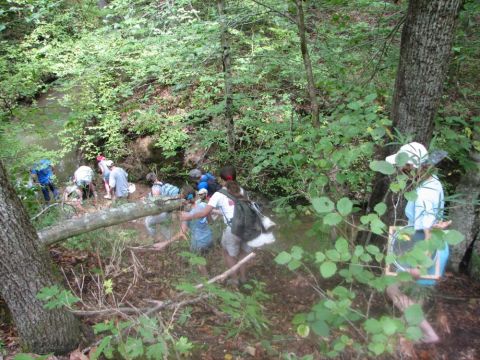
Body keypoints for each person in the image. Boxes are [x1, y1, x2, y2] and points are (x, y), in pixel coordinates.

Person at [384, 142, 451, 344]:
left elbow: (426, 232)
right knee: (415, 298)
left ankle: (428, 335)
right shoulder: (431, 180)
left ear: (411, 167)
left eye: (402, 167)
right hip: (435, 246)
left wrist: (417, 265)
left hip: (427, 251)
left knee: (392, 289)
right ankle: (406, 337)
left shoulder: (424, 196)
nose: (399, 171)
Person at [182, 165, 252, 286]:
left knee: (228, 253)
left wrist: (188, 217)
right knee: (242, 253)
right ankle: (244, 278)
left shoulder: (218, 194)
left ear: (221, 179)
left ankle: (235, 280)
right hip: (246, 226)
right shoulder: (242, 190)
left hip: (233, 228)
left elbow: (204, 213)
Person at [166, 185, 213, 276]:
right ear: (195, 195)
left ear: (183, 199)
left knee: (200, 264)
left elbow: (181, 233)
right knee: (205, 259)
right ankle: (208, 275)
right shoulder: (204, 205)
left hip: (198, 243)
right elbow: (211, 222)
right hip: (209, 239)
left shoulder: (185, 214)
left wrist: (165, 243)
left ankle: (207, 281)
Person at [144, 172, 180, 239]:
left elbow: (157, 200)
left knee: (148, 221)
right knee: (165, 227)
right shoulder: (163, 184)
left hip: (162, 212)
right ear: (156, 177)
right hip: (168, 211)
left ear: (149, 182)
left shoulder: (155, 187)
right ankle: (169, 243)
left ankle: (153, 238)